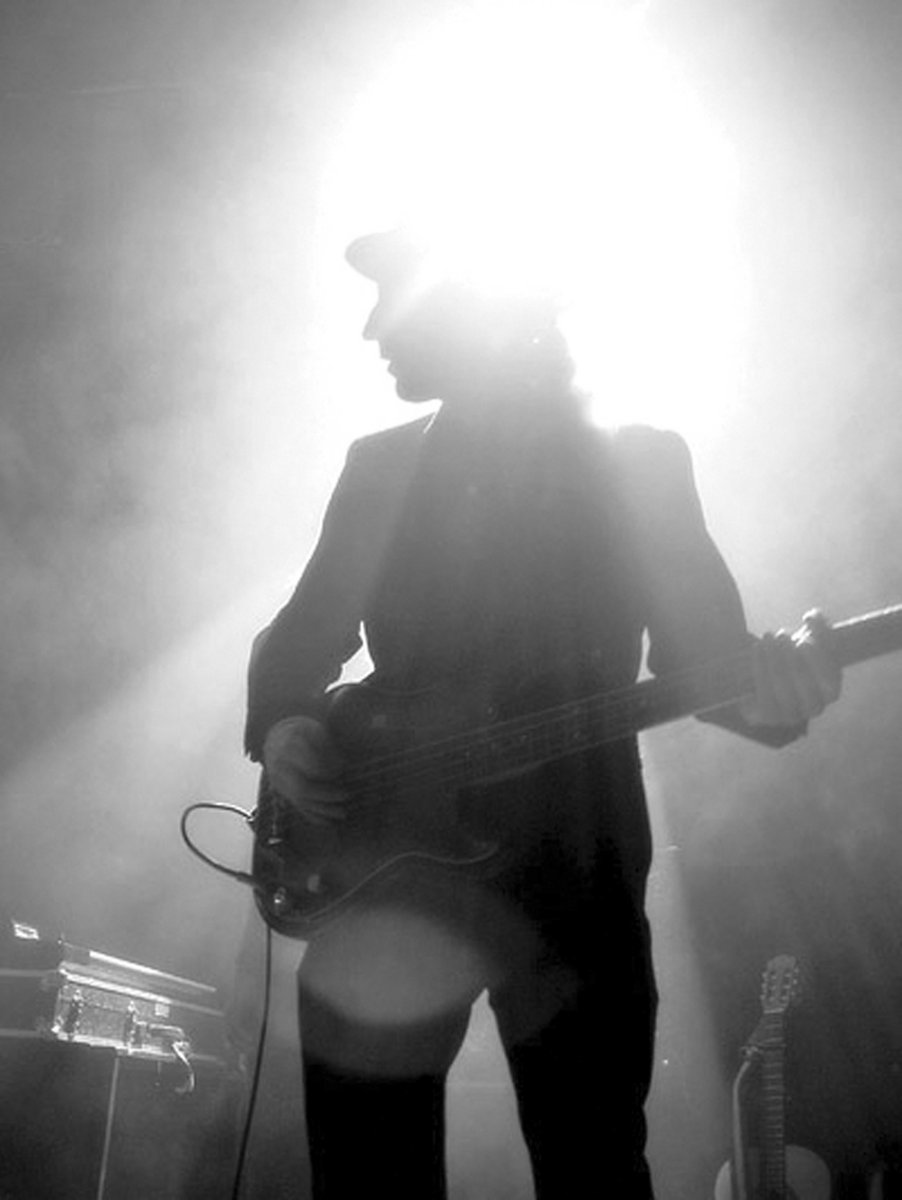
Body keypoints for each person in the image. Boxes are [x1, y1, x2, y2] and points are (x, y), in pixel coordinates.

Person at [243, 226, 842, 1199]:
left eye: (395, 304)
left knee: (592, 1169)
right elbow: (299, 638)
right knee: (366, 1178)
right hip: (386, 877)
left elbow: (709, 668)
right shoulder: (380, 469)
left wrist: (779, 692)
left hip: (576, 873)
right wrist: (284, 726)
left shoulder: (639, 464)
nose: (370, 331)